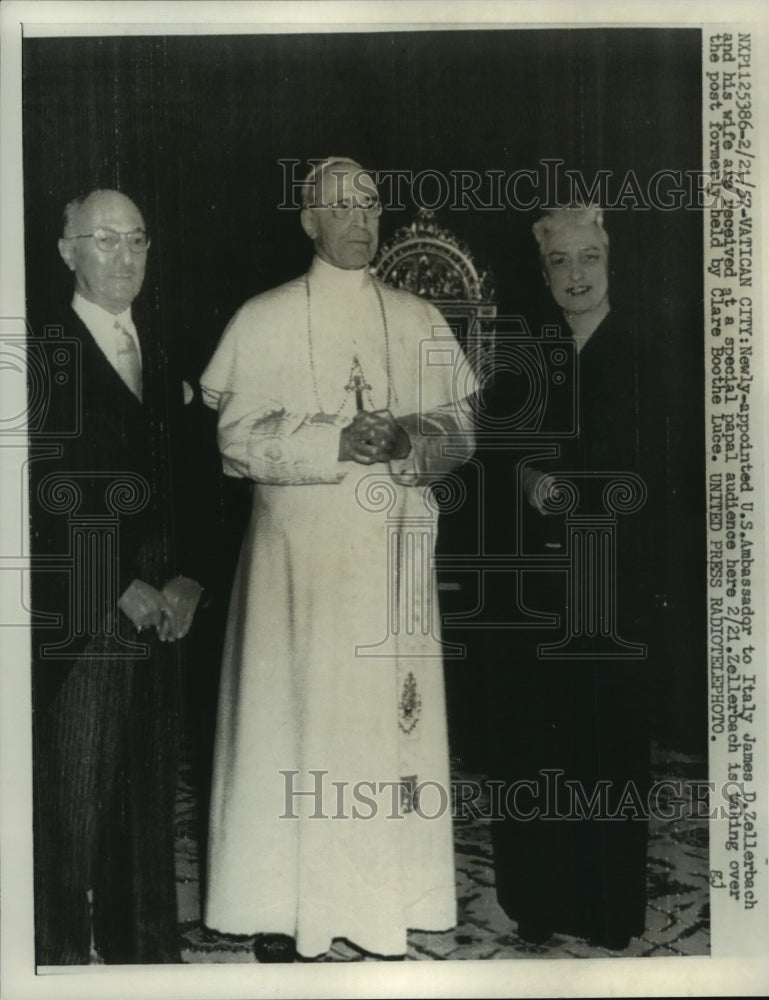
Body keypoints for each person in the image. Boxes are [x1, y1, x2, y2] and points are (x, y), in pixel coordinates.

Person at [200, 158, 477, 961]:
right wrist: (335, 440)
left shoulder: (419, 317)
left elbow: (462, 431)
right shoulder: (263, 317)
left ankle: (383, 904)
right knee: (291, 726)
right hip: (297, 568)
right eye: (342, 207)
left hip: (389, 567)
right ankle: (281, 906)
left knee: (378, 733)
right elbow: (235, 440)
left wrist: (410, 436)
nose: (361, 221)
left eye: (371, 207)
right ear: (308, 221)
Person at [477, 206, 663, 951]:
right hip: (539, 590)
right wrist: (527, 479)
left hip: (617, 586)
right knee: (532, 741)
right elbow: (498, 449)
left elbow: (668, 477)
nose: (575, 274)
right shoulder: (530, 356)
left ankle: (606, 912)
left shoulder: (648, 353)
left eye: (588, 257)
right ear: (544, 271)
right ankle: (537, 902)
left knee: (607, 745)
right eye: (560, 261)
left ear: (610, 263)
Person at [29, 189, 205, 964]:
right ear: (66, 250)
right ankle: (55, 964)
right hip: (82, 608)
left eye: (137, 240)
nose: (125, 257)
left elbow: (200, 475)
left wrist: (190, 576)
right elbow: (35, 490)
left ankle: (146, 960)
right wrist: (110, 586)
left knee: (145, 803)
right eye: (105, 240)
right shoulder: (37, 350)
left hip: (163, 607)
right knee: (69, 809)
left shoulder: (167, 345)